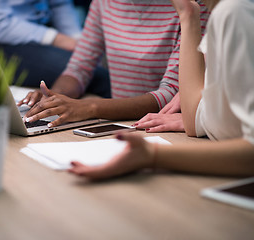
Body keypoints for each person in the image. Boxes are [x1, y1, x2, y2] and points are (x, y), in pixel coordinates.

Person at [68, 0, 254, 180]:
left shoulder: (234, 11)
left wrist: (153, 155)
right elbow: (193, 121)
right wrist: (187, 15)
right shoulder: (213, 15)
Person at [19, 0, 209, 127]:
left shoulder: (191, 8)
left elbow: (170, 94)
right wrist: (53, 98)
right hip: (115, 124)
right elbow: (79, 67)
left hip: (165, 128)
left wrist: (90, 108)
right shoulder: (105, 3)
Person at [0, 0, 105, 88]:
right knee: (96, 74)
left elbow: (59, 4)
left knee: (99, 65)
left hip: (45, 32)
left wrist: (78, 41)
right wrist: (63, 41)